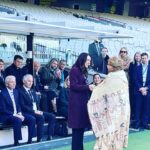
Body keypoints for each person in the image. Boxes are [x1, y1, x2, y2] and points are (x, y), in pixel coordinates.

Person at [88, 56, 130, 150]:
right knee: (117, 132)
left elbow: (102, 90)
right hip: (123, 111)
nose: (107, 66)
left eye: (108, 64)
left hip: (112, 111)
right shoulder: (122, 76)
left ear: (113, 66)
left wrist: (94, 88)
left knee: (108, 133)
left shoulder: (112, 77)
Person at [68, 52, 94, 150]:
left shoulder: (82, 71)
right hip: (76, 105)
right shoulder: (75, 70)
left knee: (80, 131)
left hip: (82, 104)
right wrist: (88, 87)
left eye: (90, 60)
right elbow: (73, 86)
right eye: (87, 60)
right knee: (77, 132)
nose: (89, 62)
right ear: (82, 60)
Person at [0, 75, 36, 146]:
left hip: (16, 114)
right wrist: (15, 114)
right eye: (12, 82)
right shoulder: (2, 94)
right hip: (6, 115)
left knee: (32, 119)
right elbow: (3, 109)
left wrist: (19, 112)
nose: (14, 83)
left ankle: (30, 140)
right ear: (7, 84)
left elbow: (18, 104)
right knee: (18, 120)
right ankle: (16, 141)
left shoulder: (16, 91)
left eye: (15, 82)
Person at [19, 74, 56, 142]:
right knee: (40, 117)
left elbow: (36, 103)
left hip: (36, 111)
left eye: (32, 81)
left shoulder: (32, 91)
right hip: (27, 112)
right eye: (29, 81)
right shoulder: (20, 91)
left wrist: (38, 110)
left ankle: (50, 136)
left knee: (52, 116)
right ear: (24, 81)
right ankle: (39, 138)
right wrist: (34, 111)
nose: (31, 83)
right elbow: (22, 106)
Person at [133, 52, 150, 130]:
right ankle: (137, 123)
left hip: (148, 91)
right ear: (141, 59)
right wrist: (141, 88)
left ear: (148, 58)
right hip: (138, 90)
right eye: (142, 58)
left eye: (145, 58)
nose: (144, 59)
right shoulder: (137, 68)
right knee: (138, 107)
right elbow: (135, 80)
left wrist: (146, 88)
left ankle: (145, 123)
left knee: (146, 107)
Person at [128, 52, 141, 120]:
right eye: (136, 56)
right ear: (134, 57)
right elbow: (130, 74)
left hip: (140, 86)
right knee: (132, 100)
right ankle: (132, 115)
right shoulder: (132, 64)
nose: (137, 57)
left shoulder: (142, 65)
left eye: (139, 56)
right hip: (133, 86)